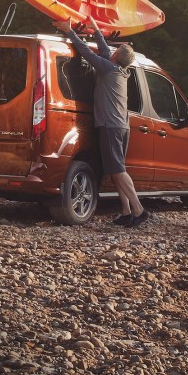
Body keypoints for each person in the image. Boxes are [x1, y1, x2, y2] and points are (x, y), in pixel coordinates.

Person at [53, 15, 148, 227]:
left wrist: (70, 32)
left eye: (114, 52)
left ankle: (139, 210)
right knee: (115, 169)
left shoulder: (109, 68)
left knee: (119, 171)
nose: (111, 53)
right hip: (120, 126)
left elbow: (87, 53)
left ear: (115, 57)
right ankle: (125, 211)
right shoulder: (120, 70)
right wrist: (95, 29)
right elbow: (104, 51)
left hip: (111, 127)